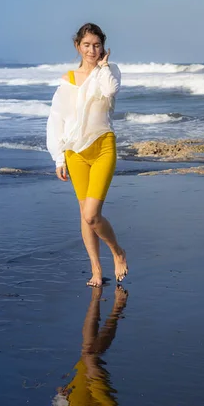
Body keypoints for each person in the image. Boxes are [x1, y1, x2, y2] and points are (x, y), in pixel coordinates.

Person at [46, 23, 128, 288]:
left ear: (103, 46)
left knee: (93, 215)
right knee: (84, 214)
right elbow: (56, 119)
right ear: (77, 46)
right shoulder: (68, 79)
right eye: (87, 45)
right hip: (74, 151)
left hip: (103, 144)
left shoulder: (109, 71)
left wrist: (103, 66)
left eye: (97, 45)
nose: (92, 50)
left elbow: (110, 92)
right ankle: (95, 269)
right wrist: (59, 157)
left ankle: (117, 251)